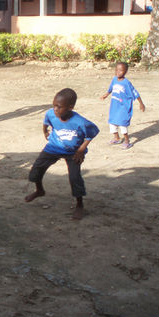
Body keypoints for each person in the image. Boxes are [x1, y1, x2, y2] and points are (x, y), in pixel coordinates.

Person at [25, 88, 99, 221]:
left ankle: (79, 205)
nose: (55, 109)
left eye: (59, 107)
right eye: (54, 105)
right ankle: (39, 191)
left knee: (75, 178)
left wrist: (81, 149)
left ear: (70, 107)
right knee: (36, 170)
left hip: (73, 152)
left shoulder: (80, 122)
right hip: (53, 147)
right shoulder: (51, 114)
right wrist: (45, 132)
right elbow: (46, 121)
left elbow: (93, 132)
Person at [100, 62, 145, 149]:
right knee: (112, 122)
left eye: (121, 70)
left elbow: (135, 93)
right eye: (116, 70)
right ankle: (116, 138)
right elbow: (111, 89)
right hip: (114, 107)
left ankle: (127, 140)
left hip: (123, 107)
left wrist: (141, 103)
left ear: (126, 71)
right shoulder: (114, 79)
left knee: (122, 123)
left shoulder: (126, 83)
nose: (118, 72)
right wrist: (106, 95)